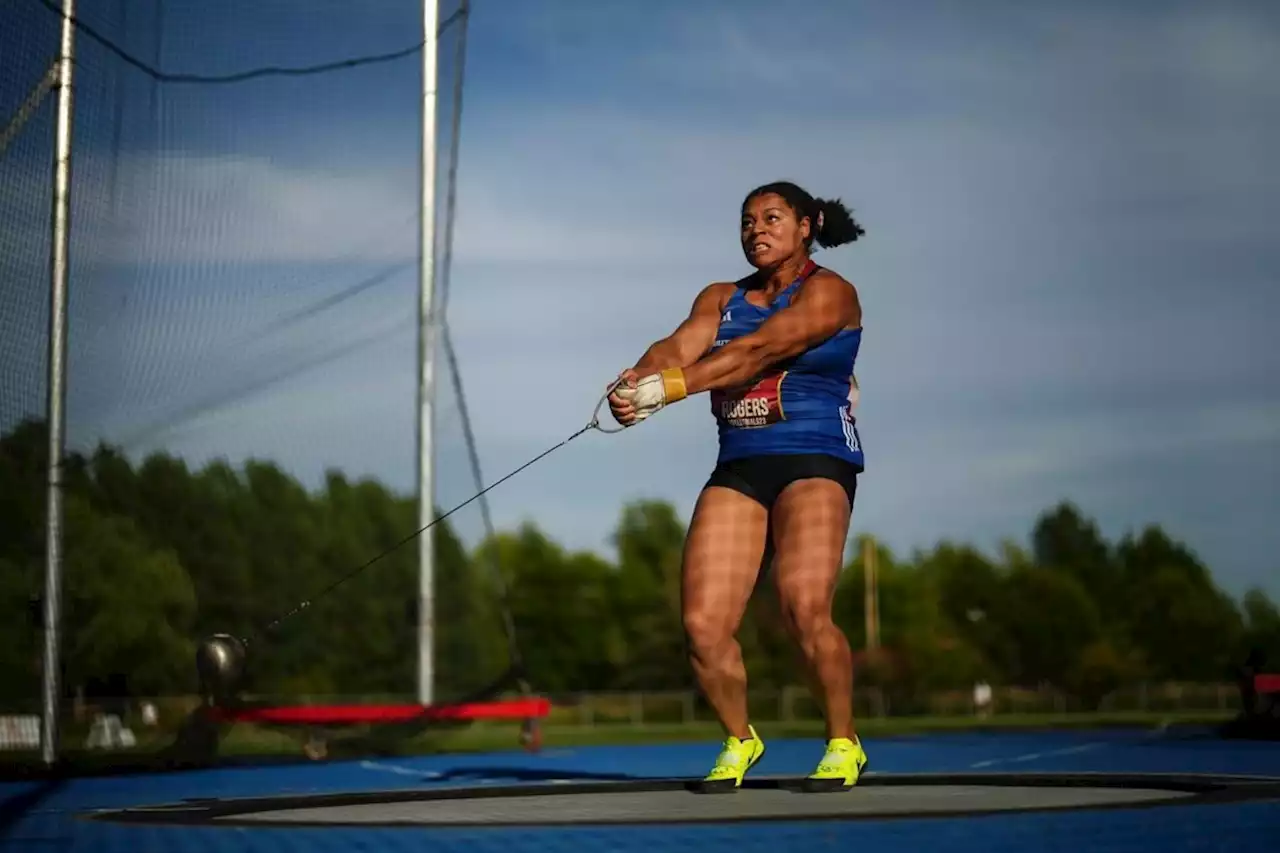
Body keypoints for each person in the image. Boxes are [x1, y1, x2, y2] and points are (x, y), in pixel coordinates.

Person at [608, 180, 869, 792]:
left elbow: (760, 350)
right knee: (702, 624)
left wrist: (669, 390)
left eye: (772, 218)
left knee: (802, 604)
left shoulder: (831, 292)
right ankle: (741, 738)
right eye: (747, 221)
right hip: (742, 466)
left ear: (808, 225)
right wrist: (638, 380)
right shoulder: (722, 296)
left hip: (815, 459)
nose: (757, 229)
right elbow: (678, 346)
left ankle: (843, 740)